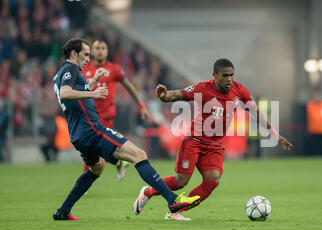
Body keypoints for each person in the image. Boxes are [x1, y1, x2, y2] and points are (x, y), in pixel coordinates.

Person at [52, 38, 200, 220]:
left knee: (97, 168)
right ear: (73, 54)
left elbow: (70, 96)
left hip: (78, 135)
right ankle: (173, 199)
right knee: (139, 155)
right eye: (85, 55)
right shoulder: (71, 69)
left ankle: (63, 211)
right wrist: (93, 92)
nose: (88, 59)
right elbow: (67, 94)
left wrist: (92, 83)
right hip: (92, 130)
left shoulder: (60, 74)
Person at [133, 58, 293, 220]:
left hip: (214, 145)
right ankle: (149, 191)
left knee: (212, 180)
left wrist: (274, 133)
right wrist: (164, 96)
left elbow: (256, 111)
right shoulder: (203, 88)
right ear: (215, 75)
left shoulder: (239, 91)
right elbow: (178, 94)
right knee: (181, 181)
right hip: (194, 141)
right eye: (225, 75)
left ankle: (175, 212)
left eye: (231, 75)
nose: (229, 79)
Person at [81, 40, 153, 181]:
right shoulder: (84, 70)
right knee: (96, 148)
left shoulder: (115, 69)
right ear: (92, 52)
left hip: (106, 115)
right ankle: (119, 162)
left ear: (107, 51)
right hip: (89, 115)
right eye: (97, 48)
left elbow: (129, 87)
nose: (100, 50)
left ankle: (85, 182)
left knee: (91, 147)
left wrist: (142, 106)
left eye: (103, 48)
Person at [306, 90, 322, 156]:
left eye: (319, 96)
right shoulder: (310, 105)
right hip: (313, 130)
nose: (318, 98)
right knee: (314, 147)